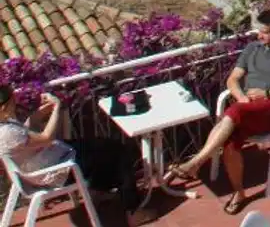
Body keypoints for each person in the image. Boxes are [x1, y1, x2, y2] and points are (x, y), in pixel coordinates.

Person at [164, 9, 270, 215]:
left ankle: (195, 163)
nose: (259, 36)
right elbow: (232, 79)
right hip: (245, 107)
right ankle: (239, 193)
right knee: (230, 141)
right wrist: (241, 97)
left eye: (265, 32)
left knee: (234, 113)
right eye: (259, 31)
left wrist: (267, 92)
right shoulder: (252, 48)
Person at [0, 83, 155, 226]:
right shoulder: (8, 133)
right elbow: (47, 137)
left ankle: (98, 190)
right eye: (12, 99)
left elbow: (26, 130)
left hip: (48, 160)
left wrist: (44, 110)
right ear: (4, 107)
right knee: (118, 152)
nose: (15, 100)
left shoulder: (5, 124)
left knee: (103, 145)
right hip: (57, 169)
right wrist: (57, 107)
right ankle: (133, 211)